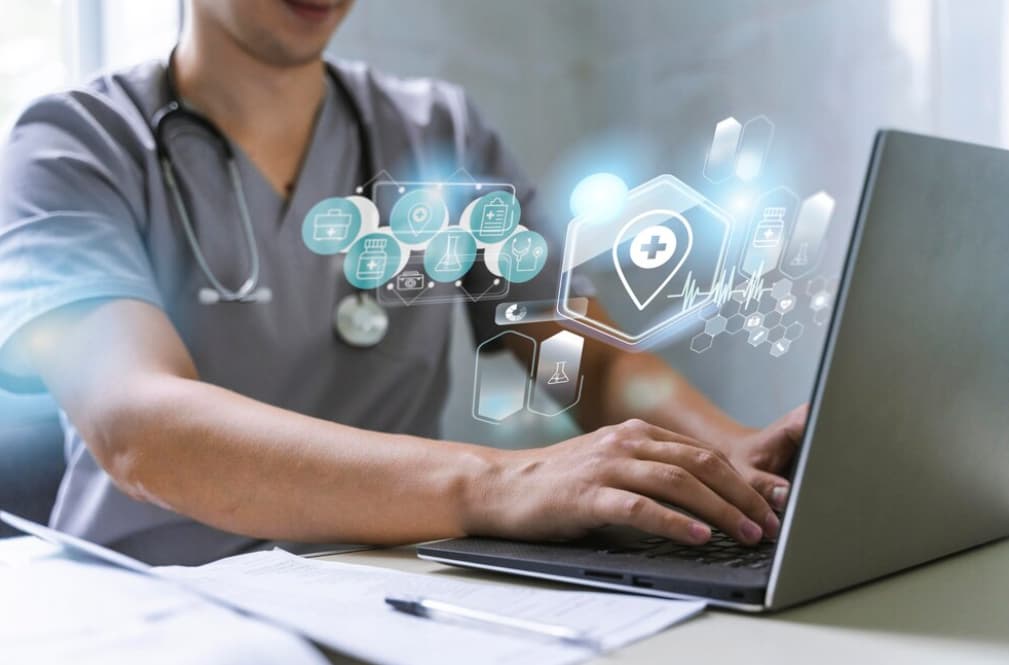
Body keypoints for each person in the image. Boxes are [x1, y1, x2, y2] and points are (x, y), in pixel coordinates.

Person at [0, 0, 804, 565]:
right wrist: (498, 481)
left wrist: (722, 450)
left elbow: (577, 361)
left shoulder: (437, 135)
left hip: (386, 588)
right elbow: (140, 429)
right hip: (158, 609)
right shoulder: (72, 147)